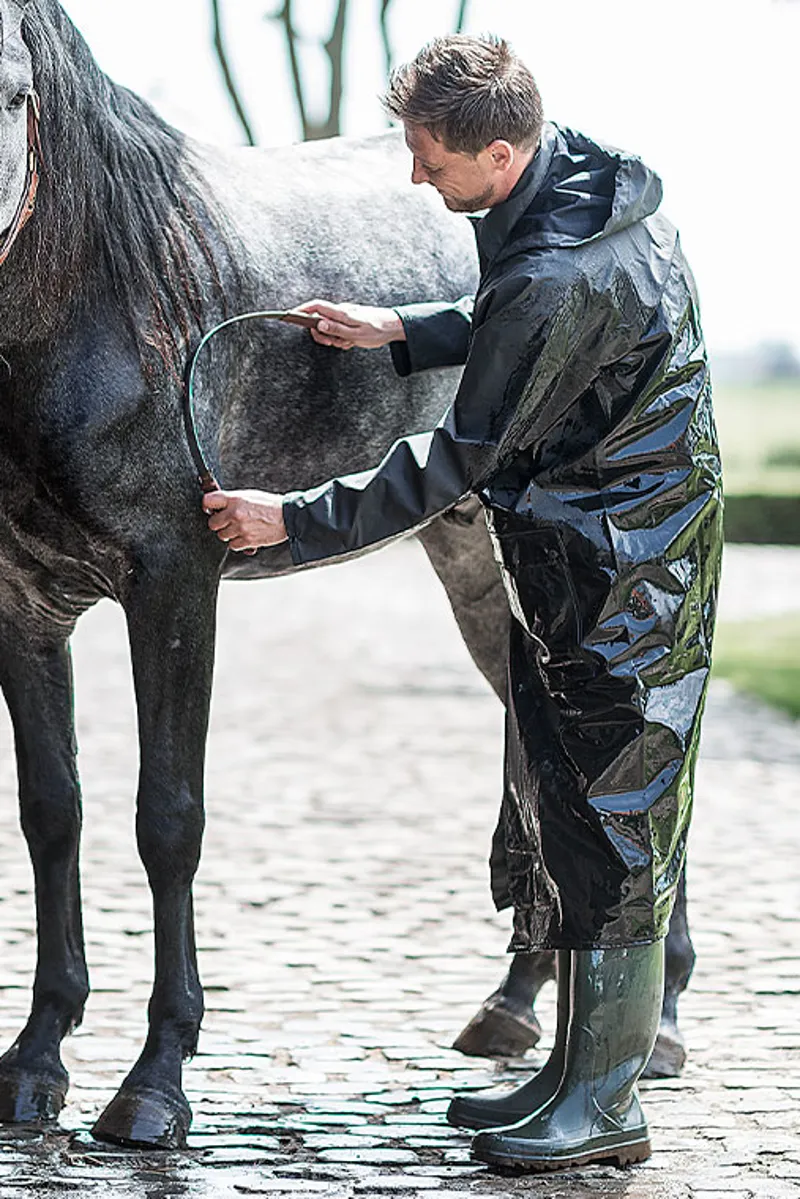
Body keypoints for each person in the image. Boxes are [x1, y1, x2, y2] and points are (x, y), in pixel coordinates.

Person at [203, 35, 722, 1173]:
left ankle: (608, 1102)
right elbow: (515, 317)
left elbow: (457, 459)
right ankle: (571, 1069)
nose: (412, 179)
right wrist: (407, 328)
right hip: (591, 544)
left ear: (496, 148)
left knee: (610, 821)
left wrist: (292, 517)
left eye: (429, 160)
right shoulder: (577, 185)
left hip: (620, 566)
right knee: (562, 798)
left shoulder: (554, 271)